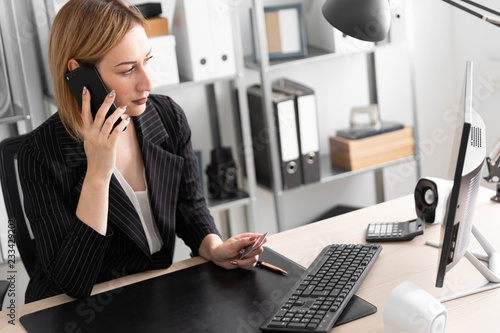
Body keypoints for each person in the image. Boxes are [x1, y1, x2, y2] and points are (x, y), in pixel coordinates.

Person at [18, 0, 265, 303]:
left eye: (146, 61)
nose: (147, 82)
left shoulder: (166, 116)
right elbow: (73, 281)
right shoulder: (39, 153)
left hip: (154, 297)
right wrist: (97, 174)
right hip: (78, 310)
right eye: (127, 70)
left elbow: (189, 207)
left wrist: (213, 247)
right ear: (80, 75)